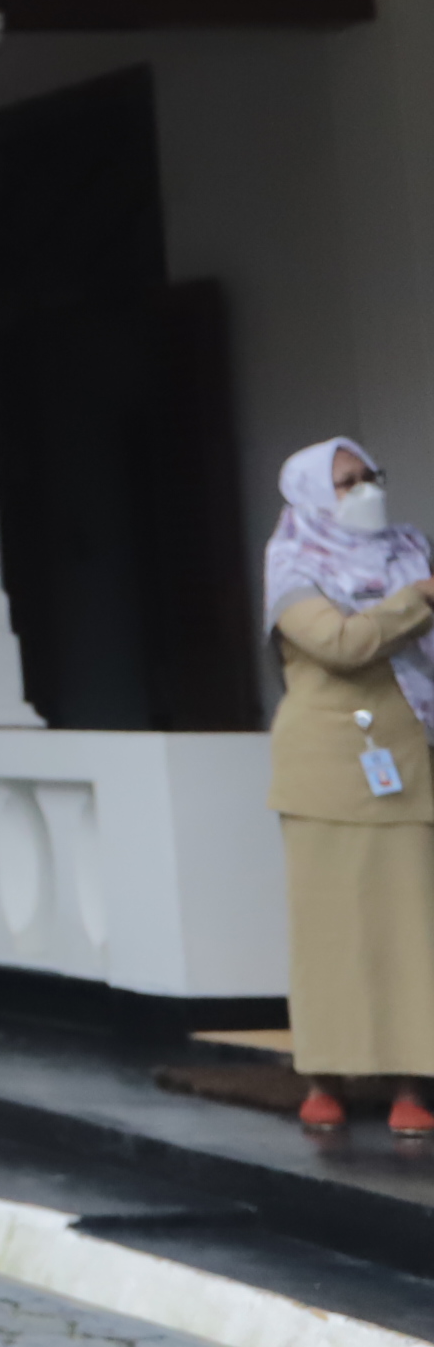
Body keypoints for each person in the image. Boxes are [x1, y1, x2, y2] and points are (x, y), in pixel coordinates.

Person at [261, 437, 434, 1135]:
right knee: (329, 931)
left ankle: (412, 1086)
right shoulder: (293, 568)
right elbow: (340, 644)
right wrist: (418, 599)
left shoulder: (409, 550)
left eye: (369, 476)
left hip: (405, 766)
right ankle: (323, 1076)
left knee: (409, 929)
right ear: (309, 497)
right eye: (345, 483)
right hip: (326, 771)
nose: (365, 490)